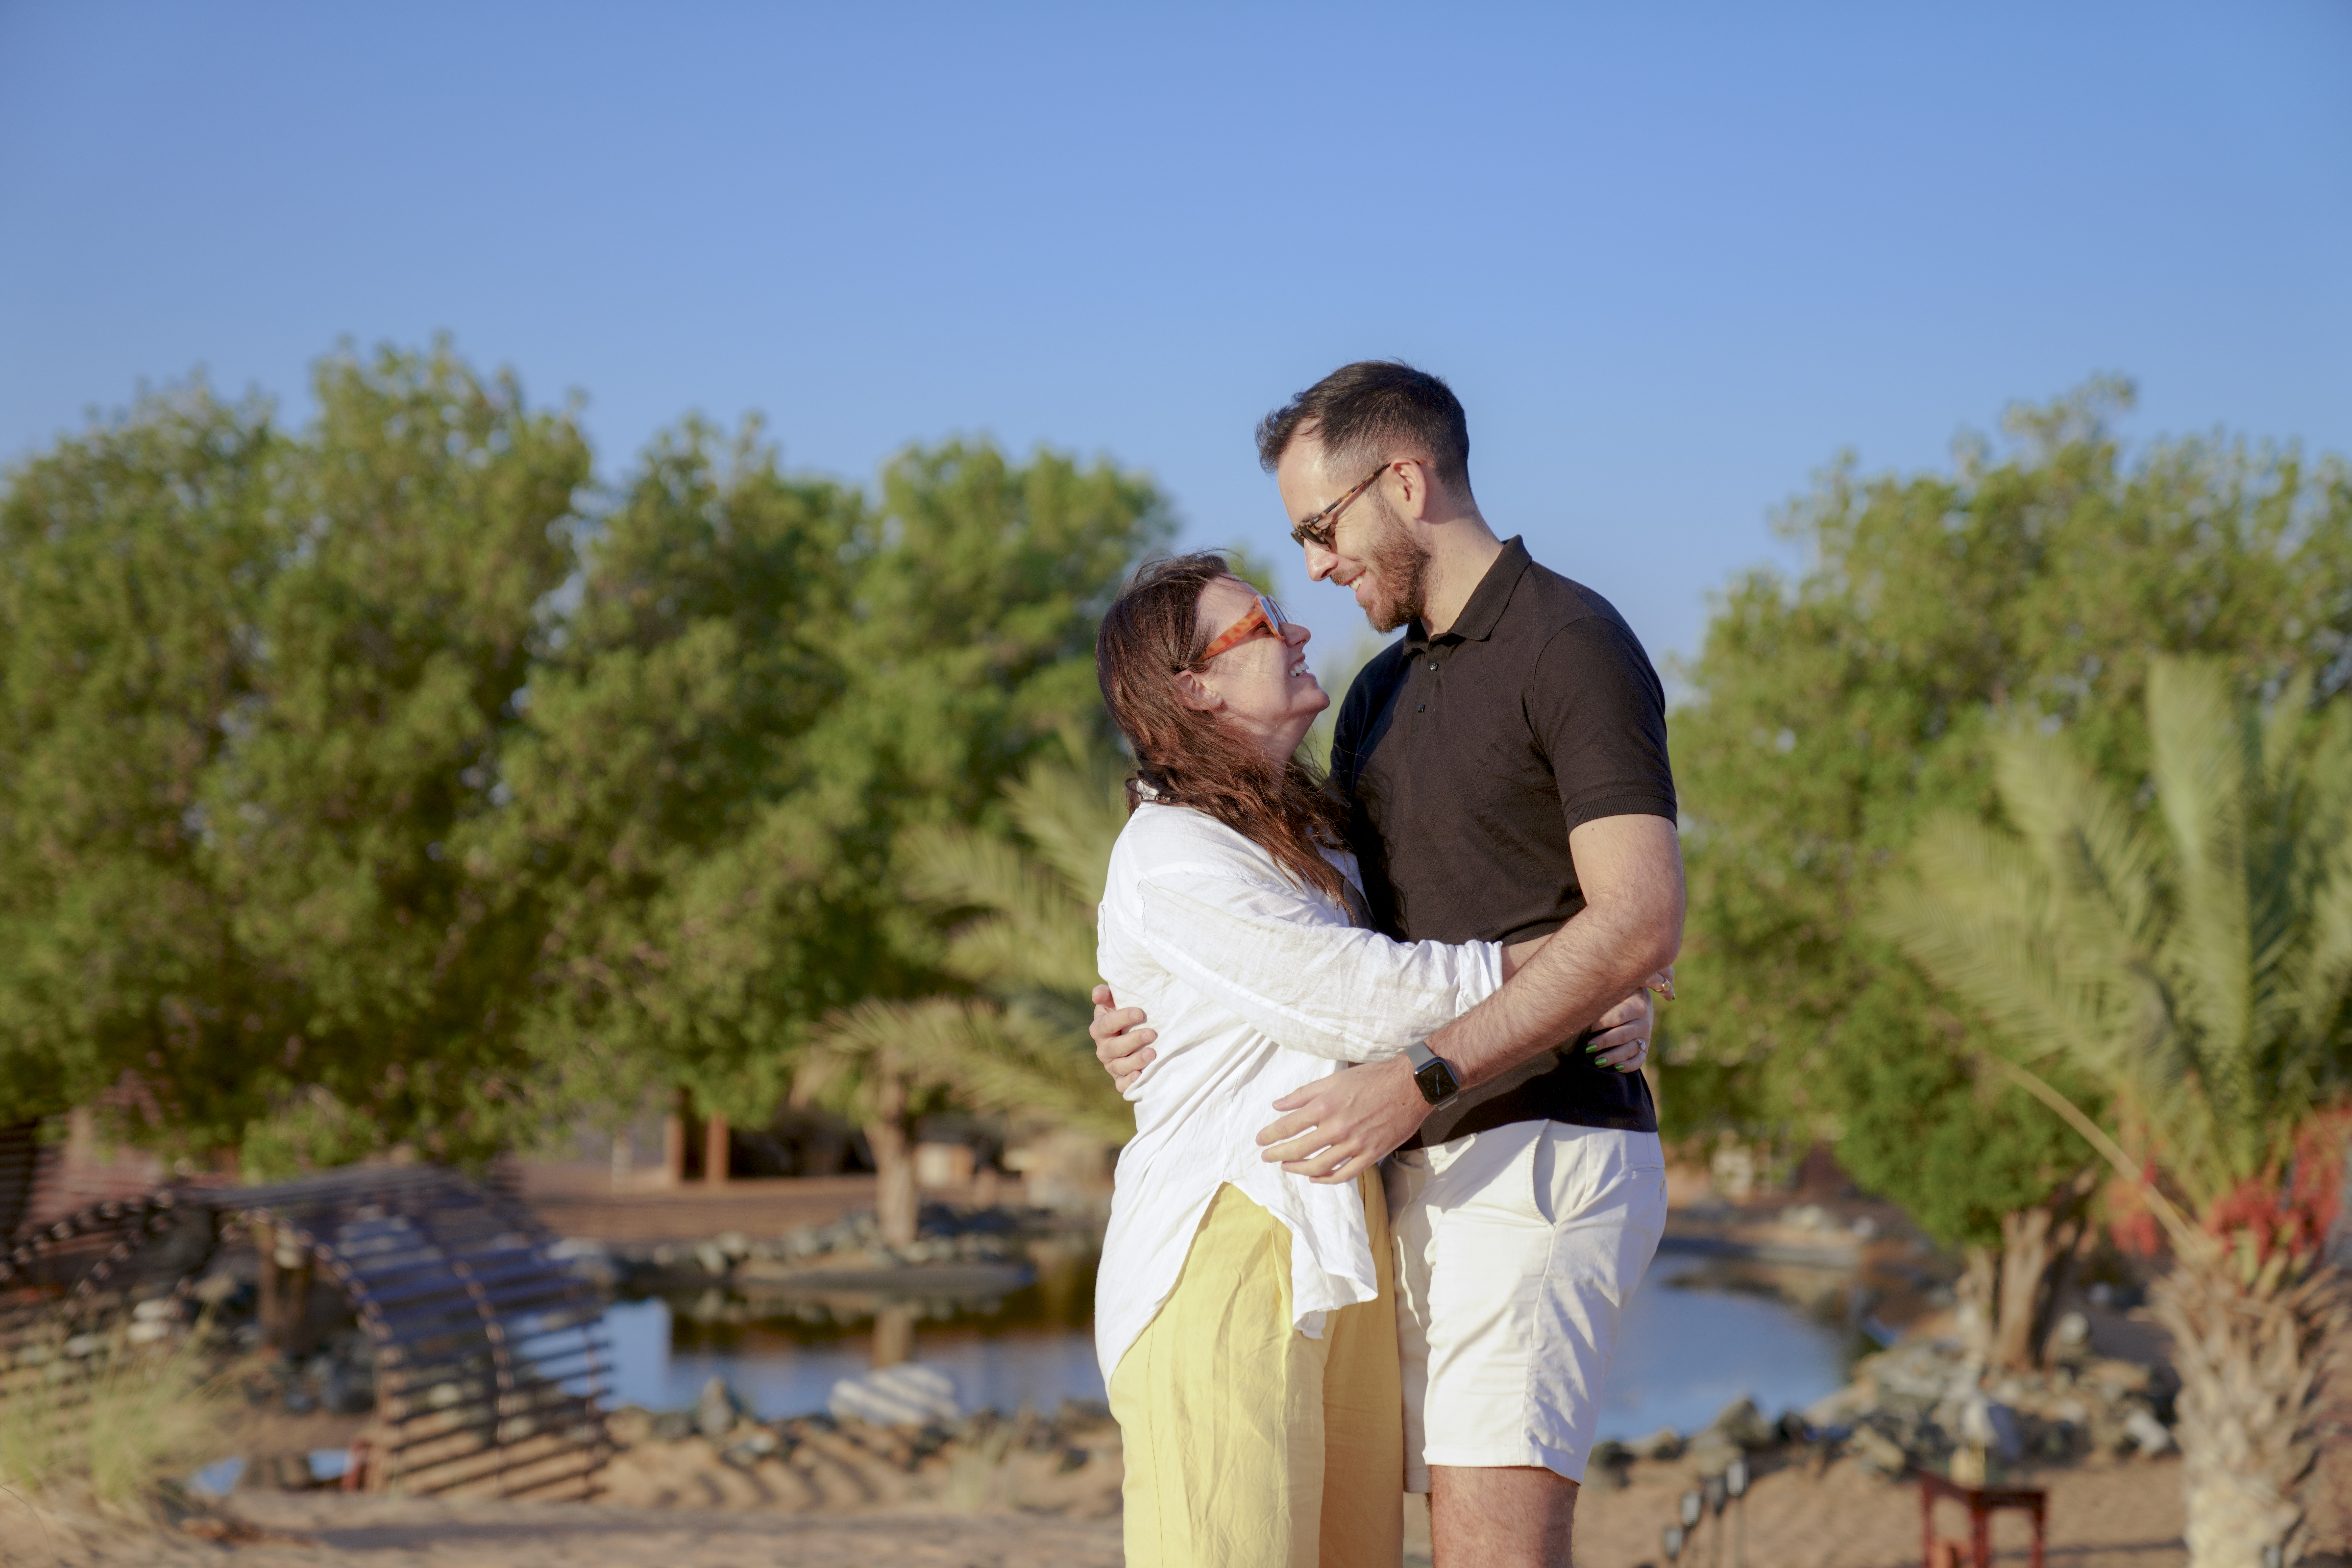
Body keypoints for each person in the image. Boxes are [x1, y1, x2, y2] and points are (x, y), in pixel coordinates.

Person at [1094, 361, 1683, 1567]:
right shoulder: (1372, 703)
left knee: (1490, 1546)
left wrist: (1601, 980)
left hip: (1527, 1147)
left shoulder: (1570, 642)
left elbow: (1631, 917)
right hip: (1373, 1192)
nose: (1312, 572)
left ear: (1403, 481)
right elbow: (1336, 965)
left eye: (1318, 528)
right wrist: (1128, 1015)